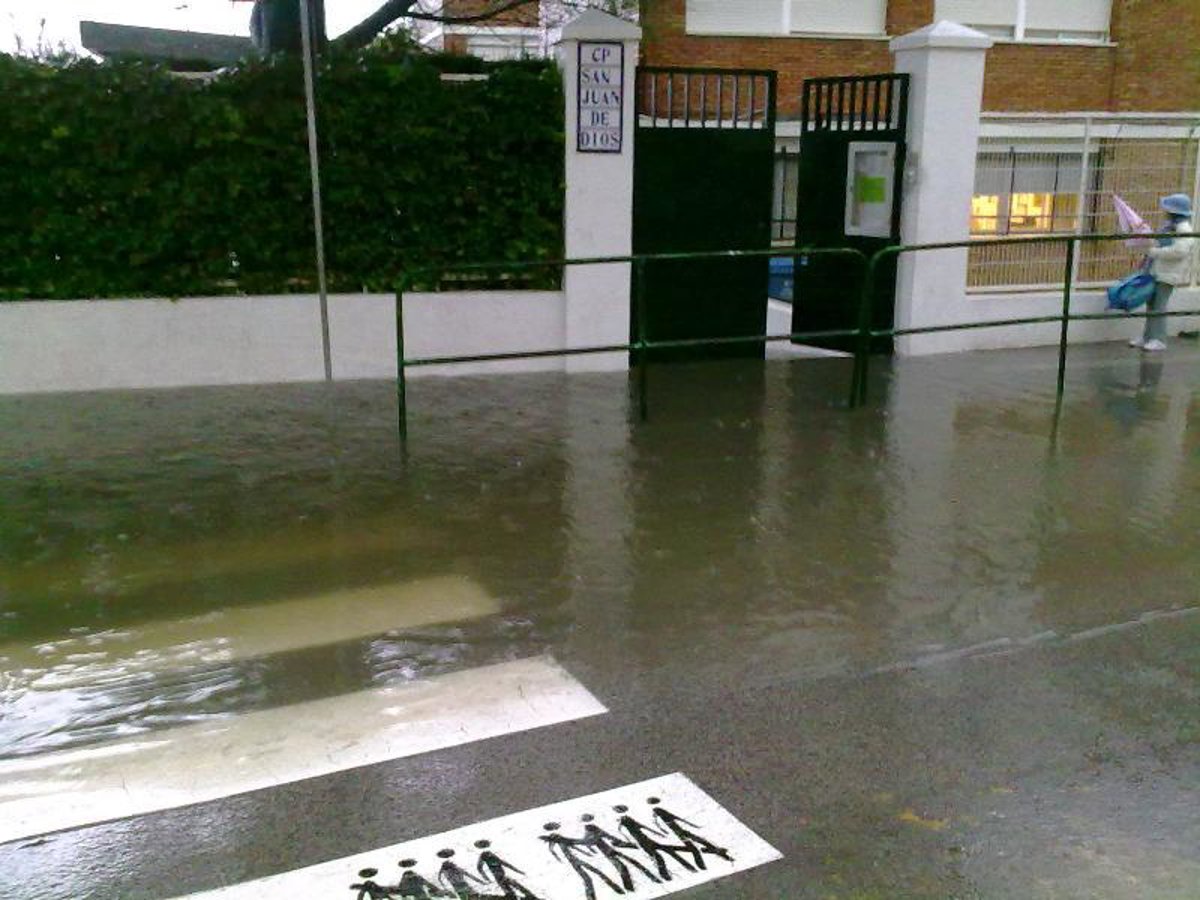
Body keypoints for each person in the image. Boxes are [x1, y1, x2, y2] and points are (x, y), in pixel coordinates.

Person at [1130, 193, 1195, 352]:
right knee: (1152, 304)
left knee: (1159, 306)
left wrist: (1155, 253)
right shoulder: (1169, 227)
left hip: (1168, 274)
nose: (1165, 212)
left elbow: (1179, 251)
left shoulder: (1183, 229)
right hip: (1158, 271)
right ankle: (1148, 336)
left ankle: (1158, 339)